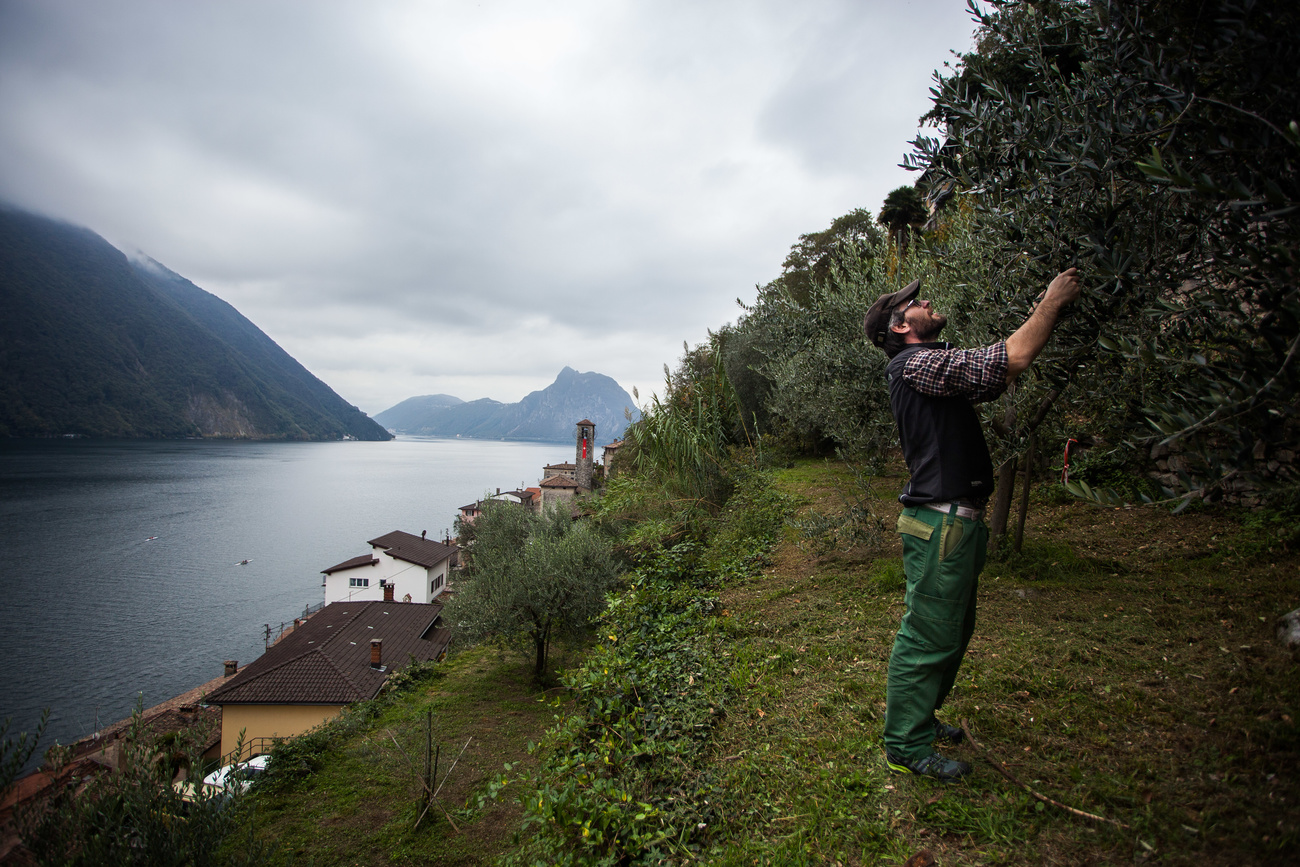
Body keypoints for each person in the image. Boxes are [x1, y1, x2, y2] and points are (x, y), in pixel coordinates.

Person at [862, 268, 1081, 781]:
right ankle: (903, 746)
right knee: (926, 635)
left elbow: (995, 376)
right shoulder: (915, 365)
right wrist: (1049, 302)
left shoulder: (928, 365)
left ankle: (921, 717)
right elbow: (1009, 359)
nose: (926, 302)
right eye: (913, 304)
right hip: (941, 525)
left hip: (955, 524)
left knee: (953, 630)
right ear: (899, 328)